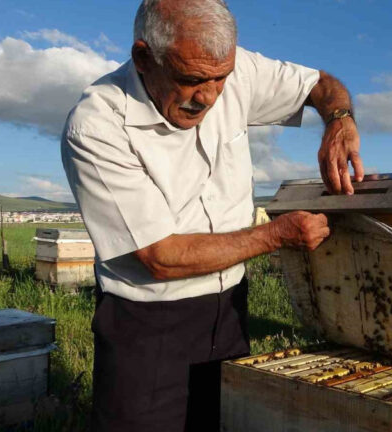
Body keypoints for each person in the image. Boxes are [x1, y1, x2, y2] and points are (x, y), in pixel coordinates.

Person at [60, 0, 363, 430]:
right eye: (191, 81)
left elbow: (321, 84)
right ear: (144, 58)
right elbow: (160, 255)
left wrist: (340, 119)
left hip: (231, 310)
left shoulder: (235, 71)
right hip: (147, 326)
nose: (208, 97)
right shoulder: (96, 125)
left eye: (221, 79)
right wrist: (275, 235)